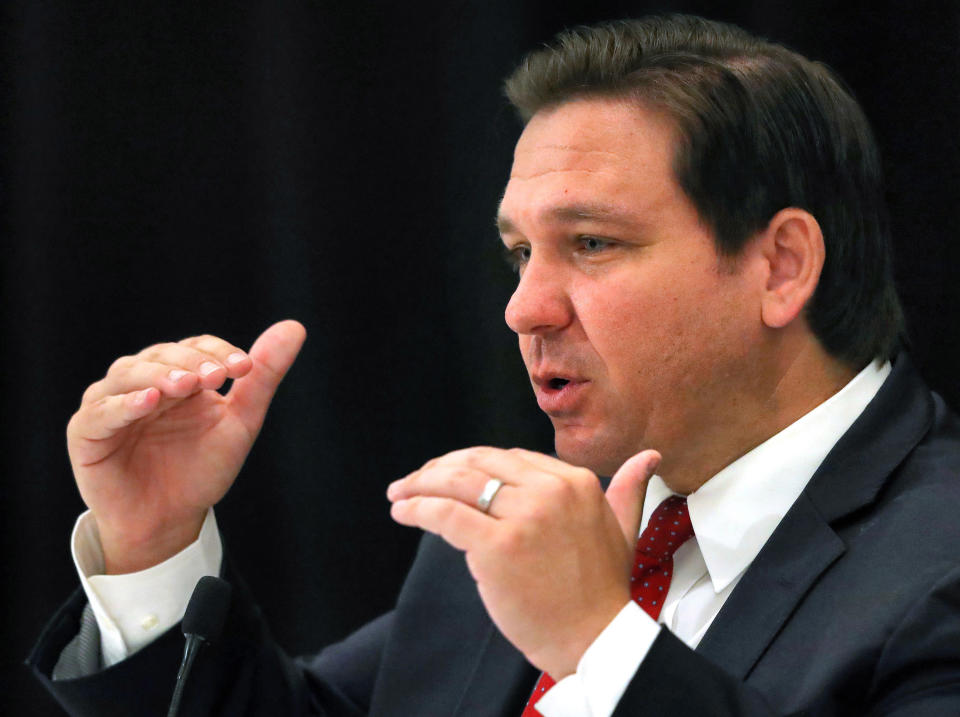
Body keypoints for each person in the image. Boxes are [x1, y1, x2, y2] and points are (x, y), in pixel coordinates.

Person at [28, 13, 960, 716]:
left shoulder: (937, 570)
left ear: (780, 264)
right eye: (521, 254)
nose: (524, 308)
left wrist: (601, 646)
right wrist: (151, 548)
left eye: (591, 242)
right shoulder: (520, 542)